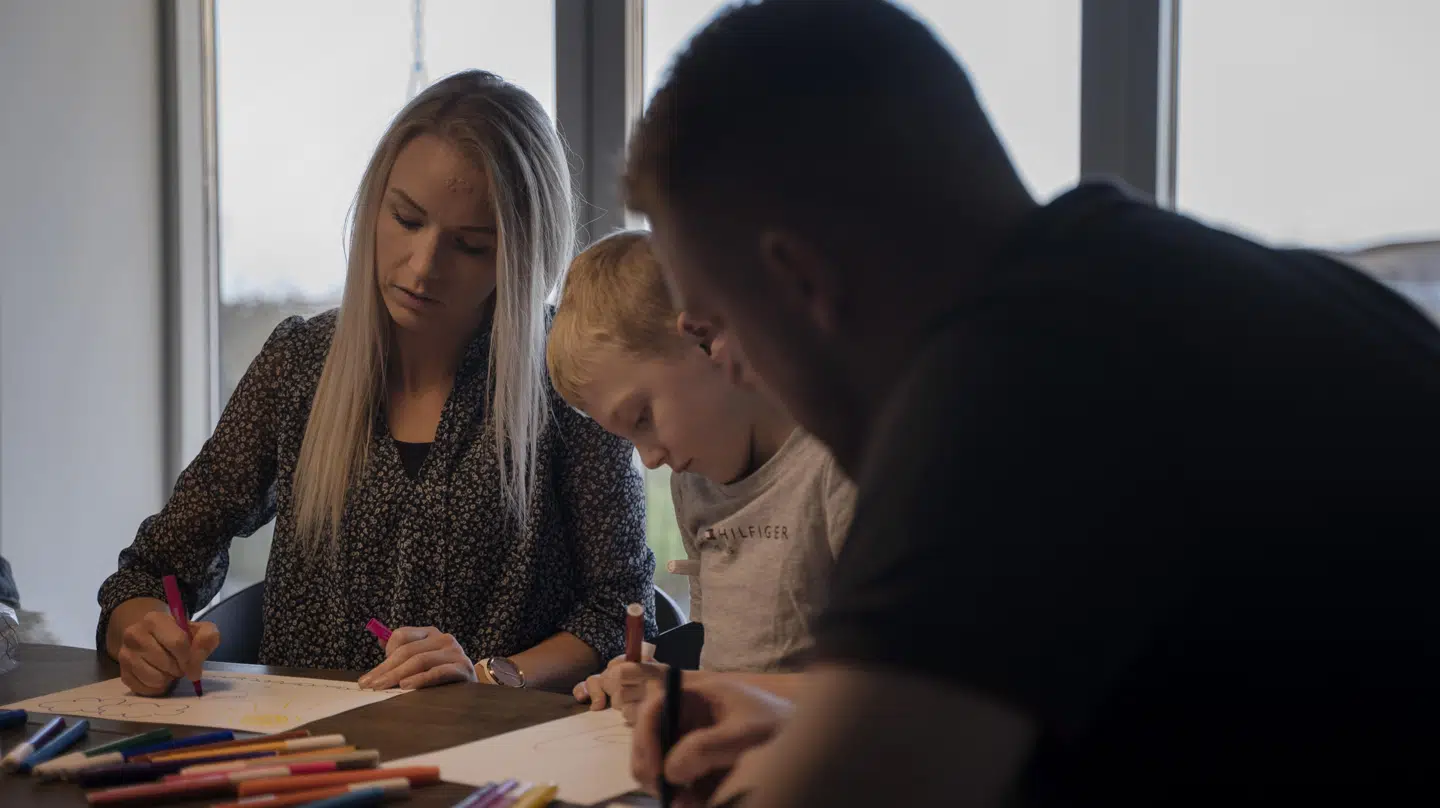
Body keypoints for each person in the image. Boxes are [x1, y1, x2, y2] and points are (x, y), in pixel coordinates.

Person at [621, 0, 1440, 805]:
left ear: (802, 279)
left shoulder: (1004, 393)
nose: (734, 372)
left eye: (713, 329)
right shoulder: (1216, 296)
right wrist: (817, 728)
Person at [97, 70, 656, 698]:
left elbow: (621, 611)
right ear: (373, 205)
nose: (423, 266)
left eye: (470, 246)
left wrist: (492, 675)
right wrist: (142, 633)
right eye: (407, 219)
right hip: (301, 743)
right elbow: (150, 572)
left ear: (524, 256)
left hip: (492, 746)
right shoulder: (299, 364)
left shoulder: (566, 380)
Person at [544, 231, 854, 722]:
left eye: (643, 417)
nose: (649, 459)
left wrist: (698, 691)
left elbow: (887, 689)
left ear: (706, 338)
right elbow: (720, 665)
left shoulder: (840, 465)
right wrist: (660, 683)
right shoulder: (693, 487)